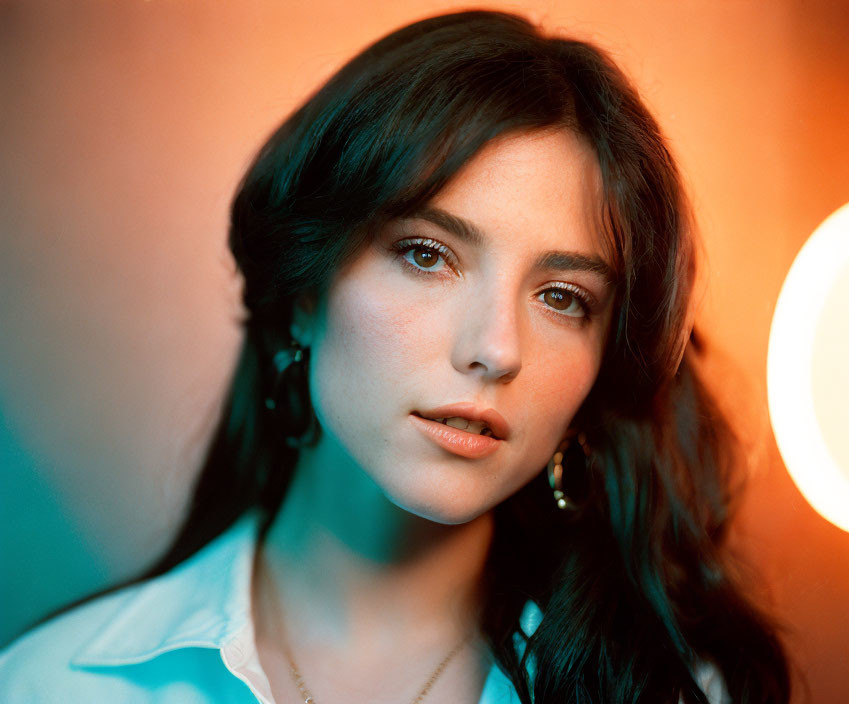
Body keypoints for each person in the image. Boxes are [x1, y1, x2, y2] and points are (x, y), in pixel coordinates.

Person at [0, 9, 792, 703]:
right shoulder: (52, 688)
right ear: (304, 293)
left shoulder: (679, 694)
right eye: (426, 255)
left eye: (562, 298)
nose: (495, 349)